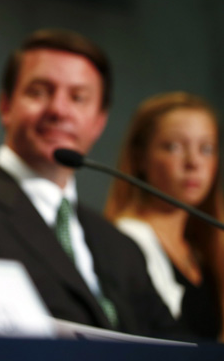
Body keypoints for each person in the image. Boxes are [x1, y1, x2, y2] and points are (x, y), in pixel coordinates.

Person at [0, 29, 178, 337]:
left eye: (78, 97)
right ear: (5, 106)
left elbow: (180, 346)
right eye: (39, 92)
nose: (59, 110)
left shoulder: (122, 248)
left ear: (99, 121)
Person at [104, 91, 224, 341]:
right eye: (174, 147)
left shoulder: (202, 249)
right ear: (140, 158)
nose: (193, 162)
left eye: (206, 148)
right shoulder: (128, 241)